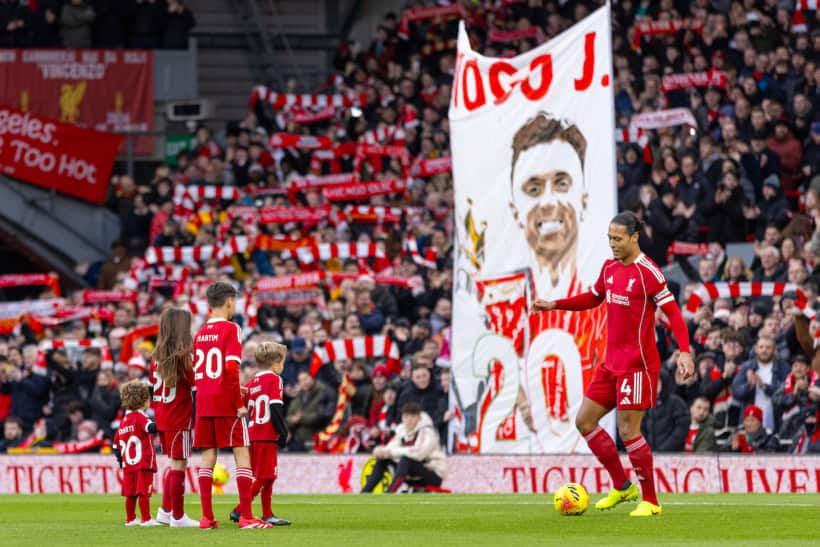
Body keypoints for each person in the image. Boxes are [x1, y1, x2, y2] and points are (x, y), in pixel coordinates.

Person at [533, 211, 694, 517]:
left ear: (635, 237)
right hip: (611, 363)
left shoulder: (649, 272)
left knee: (628, 431)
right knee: (585, 422)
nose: (613, 244)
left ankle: (651, 501)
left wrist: (685, 351)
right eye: (609, 238)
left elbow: (673, 314)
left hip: (638, 365)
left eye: (618, 239)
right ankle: (623, 487)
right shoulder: (609, 267)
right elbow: (593, 298)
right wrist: (556, 304)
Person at [193, 282, 271, 529]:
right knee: (241, 452)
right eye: (234, 301)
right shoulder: (231, 329)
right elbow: (229, 368)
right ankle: (246, 517)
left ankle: (206, 518)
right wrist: (239, 402)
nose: (235, 305)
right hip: (226, 400)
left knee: (208, 456)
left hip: (203, 399)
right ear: (228, 301)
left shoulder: (200, 333)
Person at [229, 342, 291, 526]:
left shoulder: (251, 383)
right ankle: (240, 509)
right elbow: (275, 407)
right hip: (266, 434)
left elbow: (241, 405)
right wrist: (283, 431)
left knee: (267, 475)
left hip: (252, 433)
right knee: (265, 476)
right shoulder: (274, 379)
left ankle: (267, 513)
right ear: (275, 363)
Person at [149, 308, 198, 527]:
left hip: (163, 416)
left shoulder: (156, 358)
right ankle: (178, 517)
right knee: (179, 464)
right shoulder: (184, 357)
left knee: (175, 462)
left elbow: (152, 391)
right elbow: (198, 387)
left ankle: (165, 511)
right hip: (180, 416)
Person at [361, 402, 447, 493]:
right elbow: (393, 445)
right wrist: (382, 451)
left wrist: (391, 452)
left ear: (419, 417)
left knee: (406, 460)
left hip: (433, 473)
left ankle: (389, 493)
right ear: (402, 418)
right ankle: (365, 493)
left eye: (412, 417)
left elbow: (418, 453)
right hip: (415, 474)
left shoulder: (427, 431)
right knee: (382, 461)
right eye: (406, 417)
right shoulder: (402, 430)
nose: (409, 420)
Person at [113, 380, 160, 527]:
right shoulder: (140, 417)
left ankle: (131, 518)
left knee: (130, 493)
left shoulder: (124, 421)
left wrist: (121, 462)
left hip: (128, 466)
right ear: (145, 401)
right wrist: (164, 422)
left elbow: (115, 446)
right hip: (143, 463)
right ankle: (146, 519)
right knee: (143, 492)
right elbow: (150, 428)